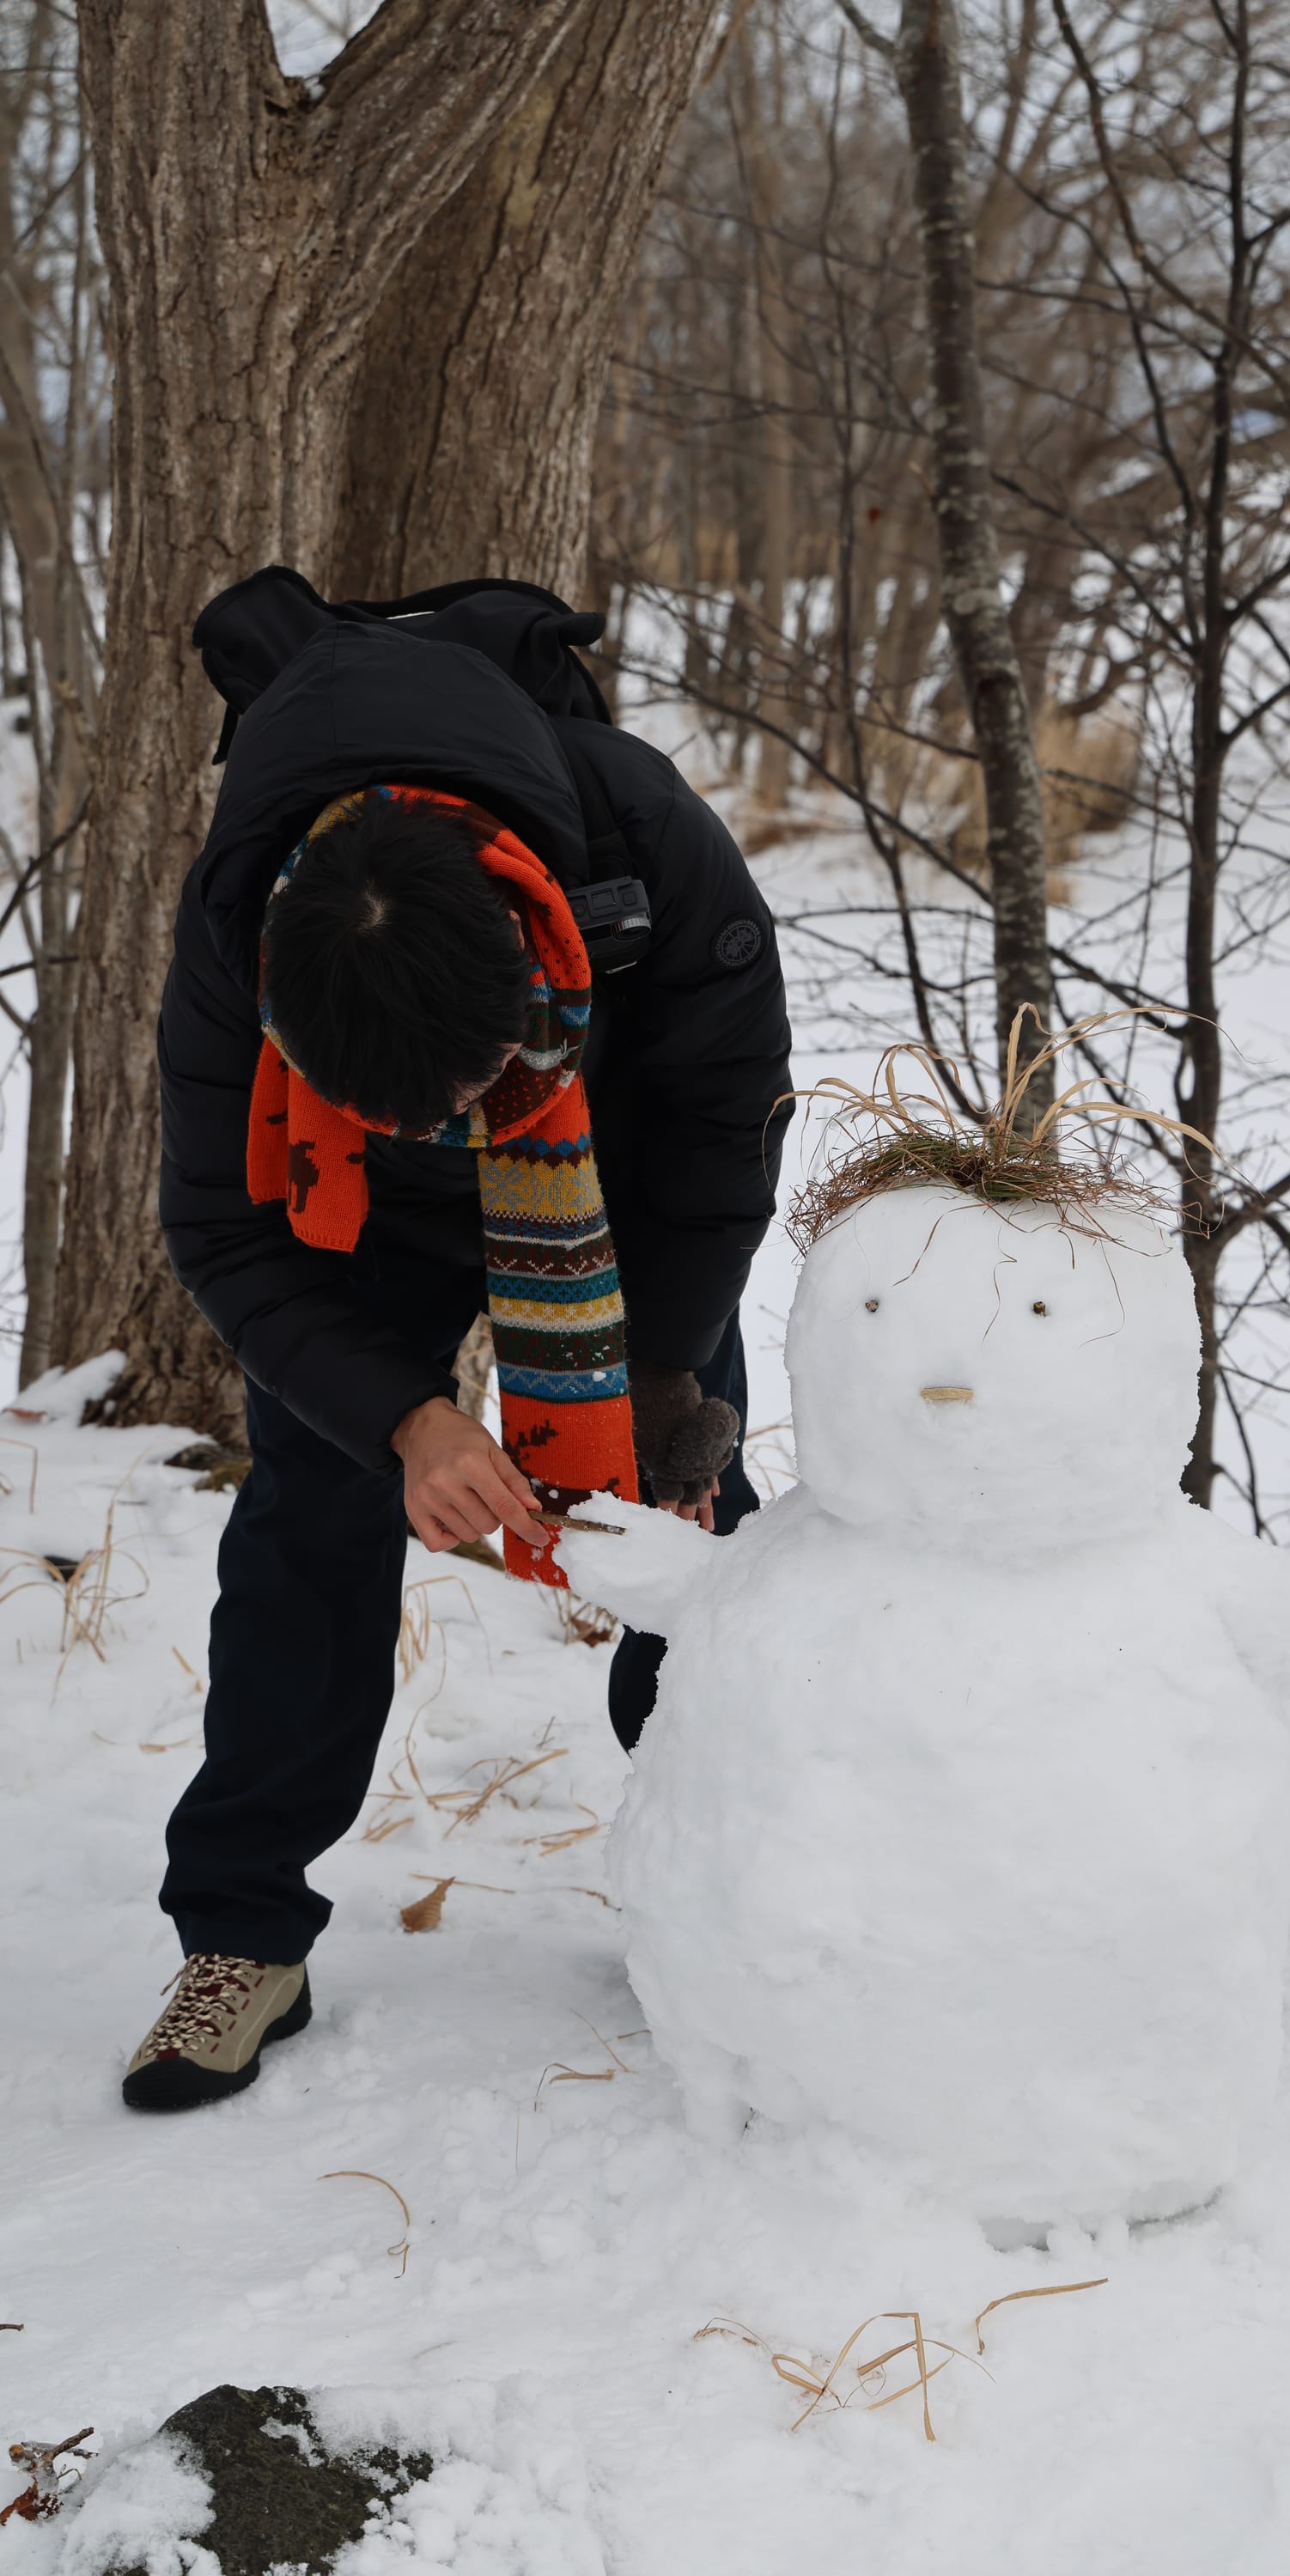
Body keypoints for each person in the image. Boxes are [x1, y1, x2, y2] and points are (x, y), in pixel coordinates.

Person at [121, 569, 790, 2112]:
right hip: (353, 1216)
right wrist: (409, 1419)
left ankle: (729, 1899)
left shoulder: (642, 849)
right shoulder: (243, 929)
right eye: (407, 1103)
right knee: (307, 1520)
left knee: (692, 1532)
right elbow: (226, 1229)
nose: (452, 1124)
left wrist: (669, 1387)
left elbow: (719, 1141)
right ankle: (240, 1934)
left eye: (471, 1084)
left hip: (617, 1188)